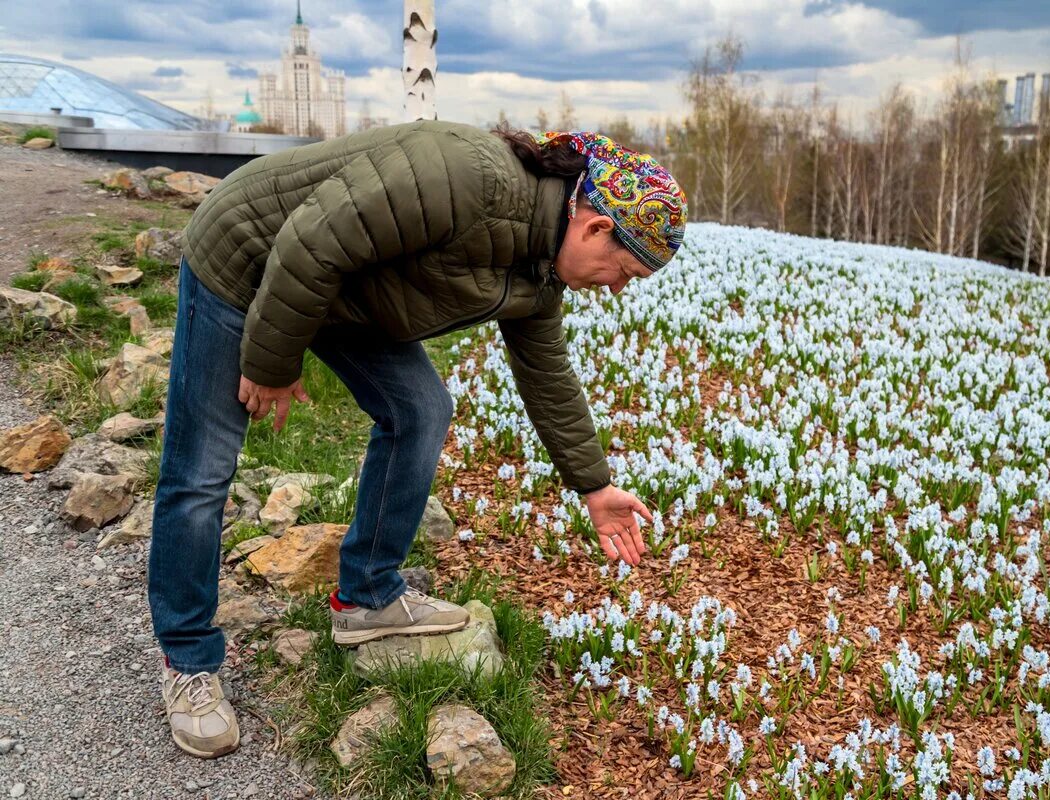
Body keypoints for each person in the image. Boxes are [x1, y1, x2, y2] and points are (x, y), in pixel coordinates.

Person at [147, 120, 687, 758]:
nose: (616, 289)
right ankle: (187, 661)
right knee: (204, 469)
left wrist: (595, 487)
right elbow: (312, 242)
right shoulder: (464, 178)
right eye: (622, 271)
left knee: (421, 409)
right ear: (595, 227)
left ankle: (368, 595)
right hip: (251, 256)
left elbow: (546, 376)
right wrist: (272, 362)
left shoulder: (540, 270)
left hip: (340, 288)